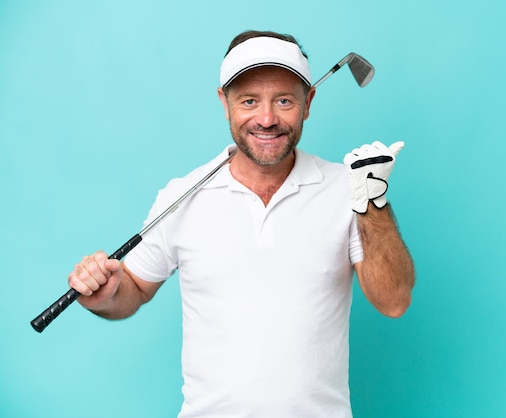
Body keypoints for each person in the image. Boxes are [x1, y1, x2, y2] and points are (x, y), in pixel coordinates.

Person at [69, 30, 415, 417]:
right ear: (225, 102)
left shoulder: (346, 189)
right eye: (249, 101)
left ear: (308, 101)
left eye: (283, 101)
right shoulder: (181, 194)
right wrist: (107, 295)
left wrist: (372, 203)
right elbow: (132, 288)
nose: (266, 119)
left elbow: (394, 302)